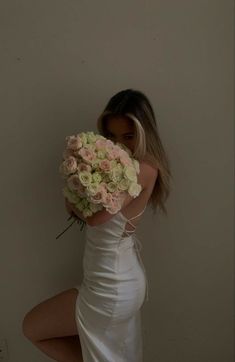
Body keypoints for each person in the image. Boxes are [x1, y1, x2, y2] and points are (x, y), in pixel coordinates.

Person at [22, 89, 172, 362]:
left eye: (128, 136)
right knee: (109, 355)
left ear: (144, 132)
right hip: (107, 279)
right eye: (112, 136)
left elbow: (97, 217)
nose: (120, 145)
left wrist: (73, 197)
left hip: (113, 285)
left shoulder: (144, 168)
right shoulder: (121, 166)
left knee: (32, 327)